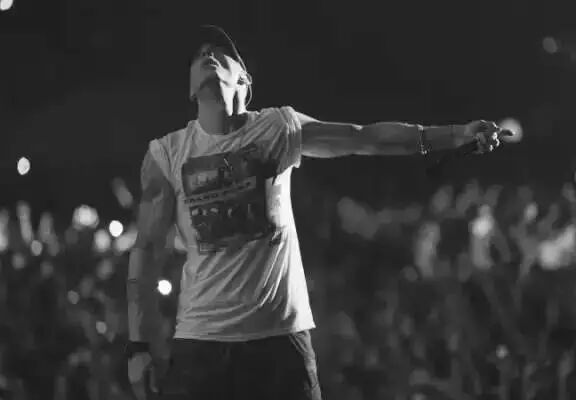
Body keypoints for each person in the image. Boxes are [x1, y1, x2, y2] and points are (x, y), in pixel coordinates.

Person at [126, 24, 511, 400]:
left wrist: (454, 135)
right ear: (190, 89)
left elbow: (364, 138)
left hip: (279, 343)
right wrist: (139, 346)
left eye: (220, 52)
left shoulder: (278, 128)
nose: (208, 55)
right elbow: (146, 252)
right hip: (201, 348)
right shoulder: (167, 154)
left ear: (244, 79)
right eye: (198, 56)